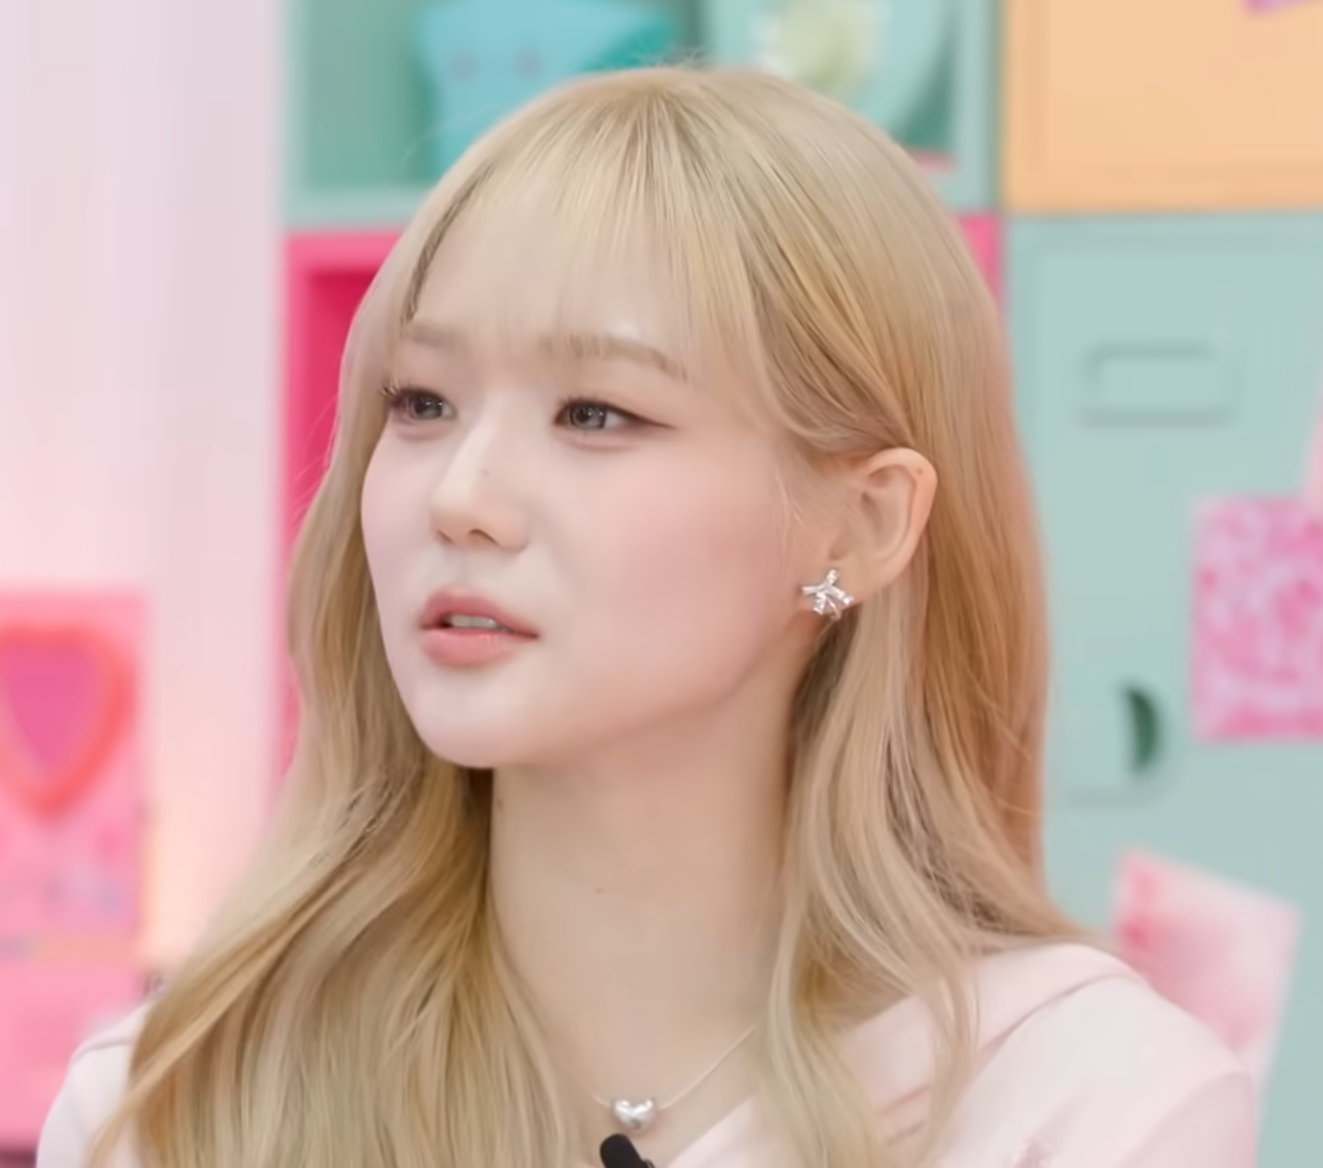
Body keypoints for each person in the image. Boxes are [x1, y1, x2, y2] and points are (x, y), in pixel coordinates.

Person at [37, 66, 1256, 1168]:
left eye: (596, 414)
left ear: (861, 525)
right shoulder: (175, 1106)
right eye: (422, 402)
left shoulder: (1087, 1109)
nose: (459, 496)